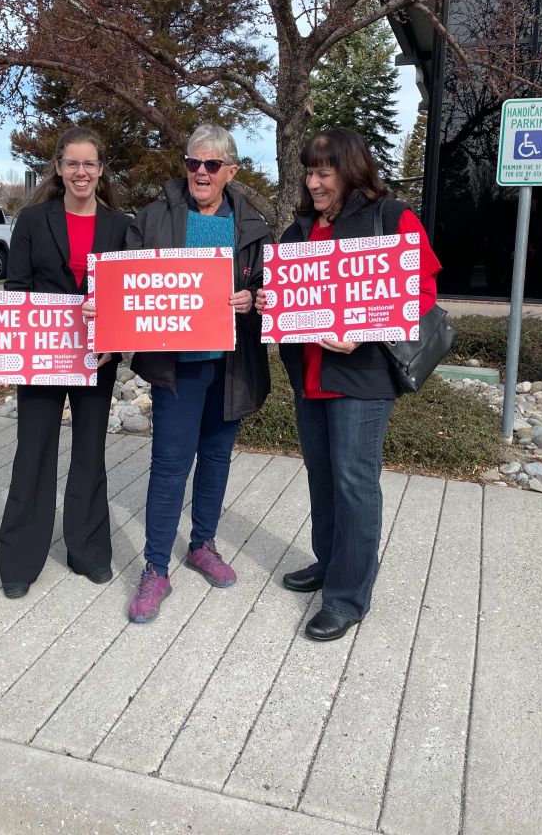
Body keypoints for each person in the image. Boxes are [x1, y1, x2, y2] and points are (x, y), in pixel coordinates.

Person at [256, 127, 441, 641]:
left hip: (361, 379)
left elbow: (421, 292)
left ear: (350, 169)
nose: (313, 182)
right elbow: (284, 294)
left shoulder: (390, 217)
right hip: (310, 377)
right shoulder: (299, 230)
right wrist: (273, 304)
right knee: (322, 476)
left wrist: (365, 330)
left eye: (324, 172)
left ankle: (347, 597)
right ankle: (329, 562)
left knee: (354, 483)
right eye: (309, 172)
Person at [123, 124, 272, 623]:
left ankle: (202, 544)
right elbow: (126, 283)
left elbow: (271, 288)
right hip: (178, 367)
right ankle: (154, 569)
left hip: (230, 365)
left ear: (231, 170)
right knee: (169, 466)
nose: (201, 173)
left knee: (216, 459)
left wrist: (252, 300)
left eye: (211, 165)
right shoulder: (154, 218)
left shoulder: (251, 223)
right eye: (193, 163)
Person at [0, 126, 130, 598]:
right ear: (58, 168)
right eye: (72, 163)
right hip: (42, 353)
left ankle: (88, 551)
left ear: (100, 170)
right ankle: (19, 560)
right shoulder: (32, 220)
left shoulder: (119, 225)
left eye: (89, 163)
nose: (80, 172)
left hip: (97, 355)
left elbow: (127, 293)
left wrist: (113, 329)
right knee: (33, 453)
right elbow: (16, 289)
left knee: (90, 454)